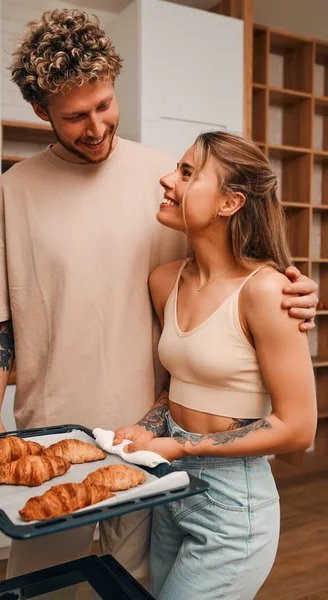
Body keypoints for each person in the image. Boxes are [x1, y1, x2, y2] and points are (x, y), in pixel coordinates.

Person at [0, 8, 318, 585]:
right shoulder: (12, 191)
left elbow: (233, 259)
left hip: (145, 438)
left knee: (133, 585)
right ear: (41, 113)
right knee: (42, 588)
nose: (96, 126)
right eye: (75, 117)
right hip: (49, 435)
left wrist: (295, 284)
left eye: (104, 105)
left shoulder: (165, 178)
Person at [113, 131, 317, 600]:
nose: (167, 179)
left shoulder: (266, 291)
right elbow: (182, 387)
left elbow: (298, 429)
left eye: (187, 173)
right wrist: (148, 428)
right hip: (169, 486)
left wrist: (183, 449)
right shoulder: (165, 281)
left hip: (231, 500)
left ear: (230, 203)